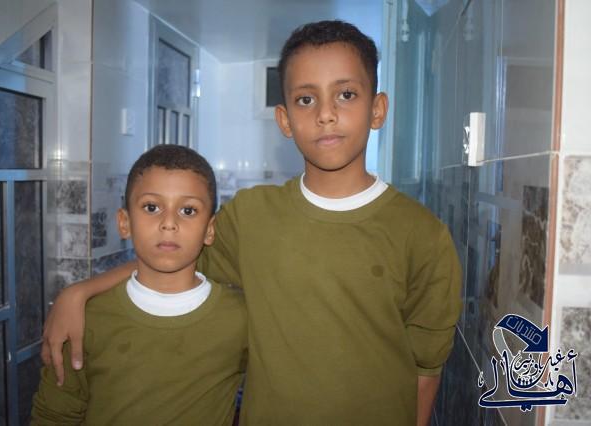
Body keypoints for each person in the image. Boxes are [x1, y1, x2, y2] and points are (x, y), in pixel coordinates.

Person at [42, 20, 462, 425]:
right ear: (284, 120)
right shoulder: (252, 216)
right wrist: (80, 292)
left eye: (346, 94)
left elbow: (425, 371)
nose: (326, 114)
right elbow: (174, 253)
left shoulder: (423, 236)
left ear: (377, 109)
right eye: (306, 99)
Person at [32, 145, 247, 424]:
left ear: (209, 229)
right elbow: (53, 416)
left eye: (188, 210)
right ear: (124, 223)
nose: (168, 223)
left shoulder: (240, 319)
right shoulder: (84, 320)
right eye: (151, 207)